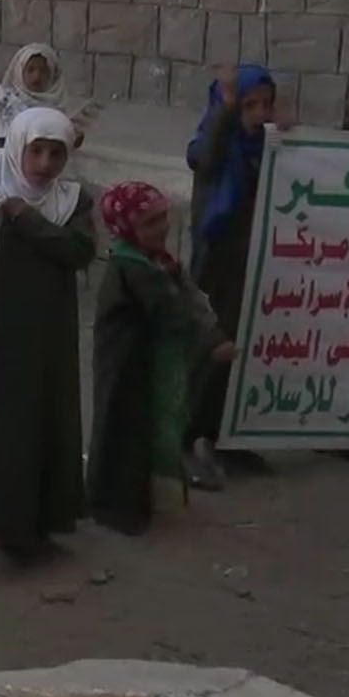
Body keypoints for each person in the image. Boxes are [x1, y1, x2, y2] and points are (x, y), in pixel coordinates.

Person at [0, 107, 95, 563]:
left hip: (52, 332)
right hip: (3, 332)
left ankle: (45, 522)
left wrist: (26, 218)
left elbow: (78, 250)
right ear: (18, 148)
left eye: (55, 154)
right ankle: (9, 530)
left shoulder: (73, 200)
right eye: (36, 151)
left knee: (50, 420)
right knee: (9, 427)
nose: (44, 164)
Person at [89, 181, 235, 536]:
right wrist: (210, 344)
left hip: (143, 362)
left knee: (144, 430)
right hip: (126, 366)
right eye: (150, 222)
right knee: (125, 433)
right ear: (126, 228)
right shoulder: (133, 267)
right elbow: (172, 311)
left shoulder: (156, 261)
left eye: (162, 218)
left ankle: (133, 500)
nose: (162, 228)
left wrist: (211, 335)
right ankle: (118, 508)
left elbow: (187, 299)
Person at [184, 65, 283, 486]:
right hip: (218, 266)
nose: (260, 114)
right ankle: (188, 439)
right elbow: (206, 159)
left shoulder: (265, 147)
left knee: (242, 350)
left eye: (266, 104)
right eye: (249, 105)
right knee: (210, 348)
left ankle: (226, 434)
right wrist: (226, 112)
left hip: (254, 266)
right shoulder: (215, 143)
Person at [0, 43, 90, 198]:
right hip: (2, 166)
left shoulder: (55, 107)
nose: (37, 76)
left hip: (38, 169)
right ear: (20, 71)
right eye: (31, 70)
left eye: (43, 71)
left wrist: (72, 138)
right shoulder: (6, 97)